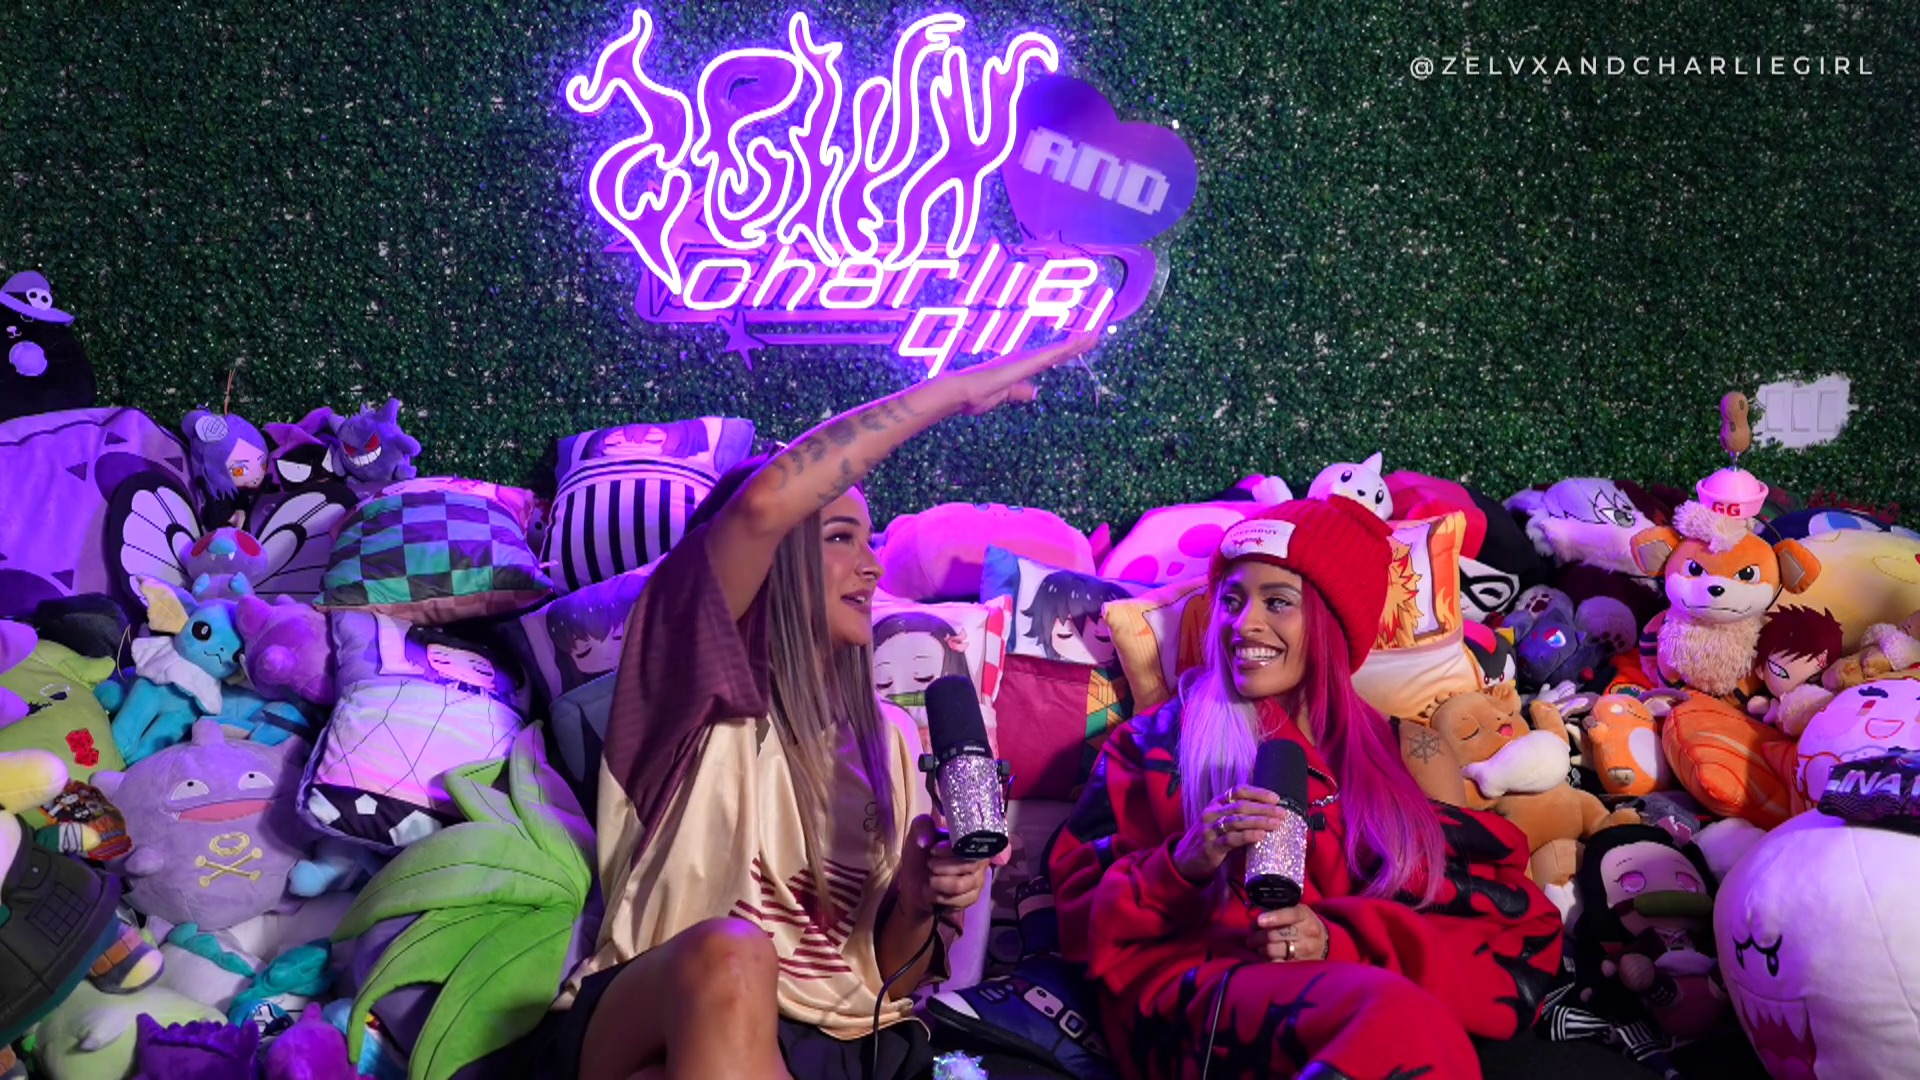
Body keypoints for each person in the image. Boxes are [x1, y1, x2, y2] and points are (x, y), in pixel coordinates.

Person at [552, 334, 1096, 1080]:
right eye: (841, 537)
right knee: (735, 956)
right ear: (770, 554)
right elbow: (765, 505)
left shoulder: (892, 737)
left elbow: (888, 983)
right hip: (662, 1007)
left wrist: (919, 899)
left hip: (840, 1043)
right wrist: (953, 392)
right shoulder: (691, 682)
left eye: (870, 541)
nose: (871, 566)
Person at [1048, 498, 1568, 1080]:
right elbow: (1078, 922)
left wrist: (1332, 940)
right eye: (1231, 600)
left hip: (1364, 1001)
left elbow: (1494, 920)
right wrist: (1184, 862)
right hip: (1204, 1005)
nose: (1243, 623)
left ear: (1330, 622)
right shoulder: (1155, 742)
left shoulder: (1407, 751)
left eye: (1277, 602)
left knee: (1403, 1023)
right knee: (1399, 1023)